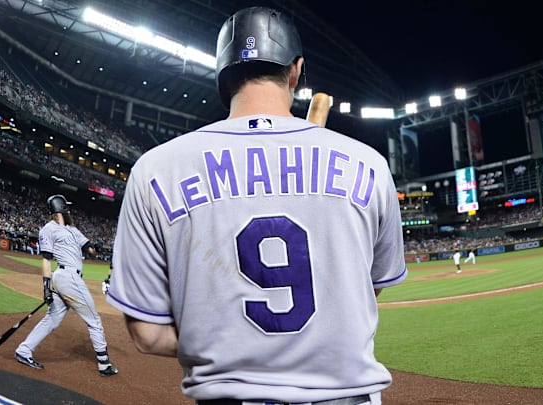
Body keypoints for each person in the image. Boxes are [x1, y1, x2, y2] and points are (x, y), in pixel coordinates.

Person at [107, 6, 407, 404]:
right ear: (296, 71)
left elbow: (146, 334)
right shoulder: (368, 164)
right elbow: (368, 288)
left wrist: (231, 341)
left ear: (222, 75)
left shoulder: (155, 169)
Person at [14, 194, 118, 377]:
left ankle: (24, 350)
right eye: (67, 208)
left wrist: (96, 248)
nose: (70, 211)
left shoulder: (73, 230)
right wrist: (46, 287)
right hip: (66, 277)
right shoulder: (48, 229)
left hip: (67, 278)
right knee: (94, 321)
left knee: (52, 318)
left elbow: (91, 252)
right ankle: (104, 364)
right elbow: (46, 260)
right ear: (61, 209)